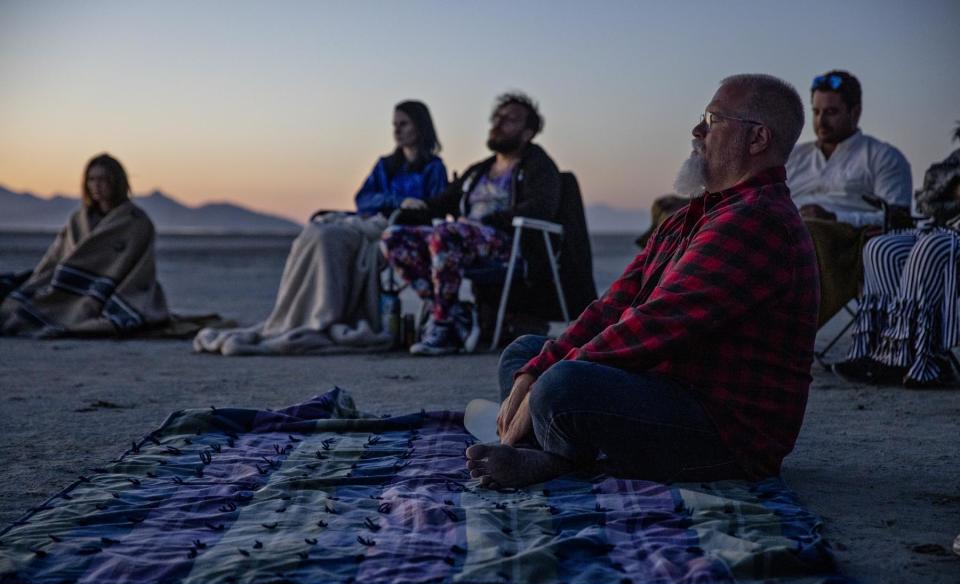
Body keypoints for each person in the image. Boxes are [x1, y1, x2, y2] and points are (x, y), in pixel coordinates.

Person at [466, 74, 818, 489]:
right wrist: (534, 371)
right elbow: (613, 306)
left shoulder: (758, 220)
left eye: (713, 119)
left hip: (722, 430)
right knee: (525, 352)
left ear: (757, 138)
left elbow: (656, 324)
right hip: (665, 384)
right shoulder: (688, 219)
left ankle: (557, 456)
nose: (697, 130)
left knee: (561, 384)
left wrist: (550, 375)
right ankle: (554, 447)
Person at [193, 100, 448, 356]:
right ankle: (305, 314)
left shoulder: (433, 168)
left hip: (396, 232)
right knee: (317, 232)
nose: (397, 131)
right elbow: (363, 199)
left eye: (403, 124)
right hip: (367, 222)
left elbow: (434, 209)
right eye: (394, 125)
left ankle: (324, 313)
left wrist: (408, 209)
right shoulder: (386, 165)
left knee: (328, 238)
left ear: (420, 126)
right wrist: (397, 201)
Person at [381, 92, 561, 355]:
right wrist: (416, 210)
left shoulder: (537, 166)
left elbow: (540, 207)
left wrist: (489, 220)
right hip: (462, 239)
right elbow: (445, 201)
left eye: (509, 120)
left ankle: (443, 327)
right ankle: (451, 313)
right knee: (394, 237)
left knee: (447, 233)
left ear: (527, 133)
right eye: (496, 118)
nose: (498, 124)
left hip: (511, 244)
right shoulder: (480, 170)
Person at [833, 123, 960, 387]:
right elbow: (927, 196)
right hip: (947, 229)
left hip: (946, 239)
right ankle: (888, 351)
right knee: (882, 249)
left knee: (931, 247)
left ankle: (931, 358)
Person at [786, 70, 913, 327]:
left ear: (855, 112)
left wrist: (834, 217)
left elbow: (897, 219)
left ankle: (789, 329)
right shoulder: (795, 157)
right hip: (786, 234)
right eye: (816, 112)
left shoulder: (881, 156)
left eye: (831, 112)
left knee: (807, 233)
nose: (821, 121)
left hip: (847, 243)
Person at [0, 154, 170, 337]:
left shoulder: (136, 222)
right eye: (92, 179)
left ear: (118, 182)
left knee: (97, 318)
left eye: (104, 179)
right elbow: (54, 260)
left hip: (108, 291)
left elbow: (140, 269)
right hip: (66, 287)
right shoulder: (77, 220)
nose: (97, 185)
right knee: (13, 308)